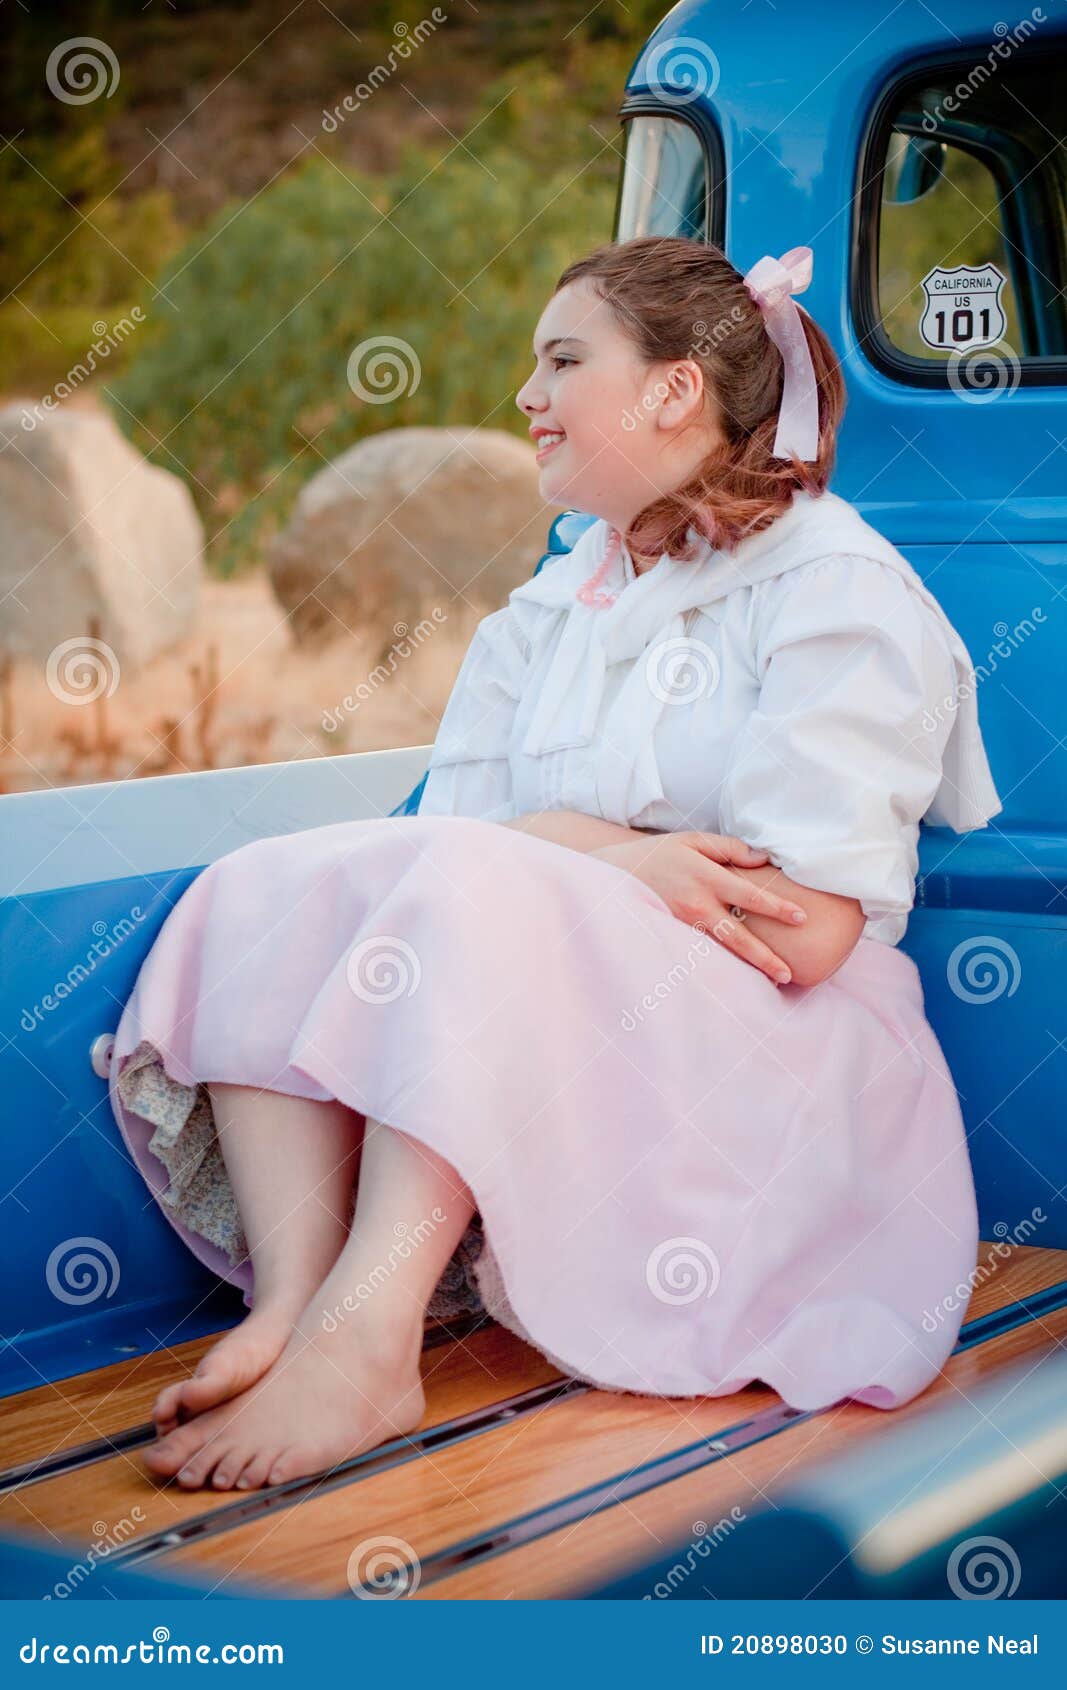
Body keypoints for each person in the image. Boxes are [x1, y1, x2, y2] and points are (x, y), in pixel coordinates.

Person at [108, 236, 1001, 1494]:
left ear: (670, 390)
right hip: (586, 1024)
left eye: (562, 360)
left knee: (481, 893)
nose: (525, 395)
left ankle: (367, 1342)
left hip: (773, 1058)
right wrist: (604, 859)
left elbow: (800, 932)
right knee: (273, 881)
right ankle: (299, 1302)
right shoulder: (550, 608)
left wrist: (556, 875)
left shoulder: (833, 592)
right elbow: (444, 850)